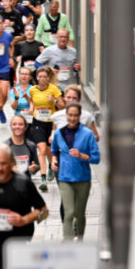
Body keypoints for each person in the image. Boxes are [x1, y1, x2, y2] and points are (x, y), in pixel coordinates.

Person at [51, 102, 100, 240]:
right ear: (66, 115)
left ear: (80, 116)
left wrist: (82, 155)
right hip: (65, 177)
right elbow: (54, 150)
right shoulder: (59, 133)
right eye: (70, 115)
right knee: (69, 213)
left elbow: (96, 158)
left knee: (79, 214)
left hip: (82, 179)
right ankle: (69, 244)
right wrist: (54, 160)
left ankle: (80, 240)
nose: (72, 118)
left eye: (75, 115)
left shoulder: (88, 134)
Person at [27, 67, 64, 192]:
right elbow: (32, 101)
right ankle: (43, 178)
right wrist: (31, 108)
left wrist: (53, 101)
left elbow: (63, 106)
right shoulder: (32, 90)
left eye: (44, 76)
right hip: (37, 123)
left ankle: (50, 165)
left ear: (48, 77)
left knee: (49, 149)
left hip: (51, 124)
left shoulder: (54, 89)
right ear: (37, 77)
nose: (42, 79)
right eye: (40, 76)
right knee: (42, 149)